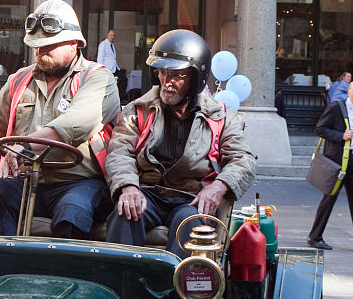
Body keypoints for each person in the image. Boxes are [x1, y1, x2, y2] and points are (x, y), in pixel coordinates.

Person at [0, 0, 120, 238]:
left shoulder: (98, 78)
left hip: (79, 181)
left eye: (49, 46)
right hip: (26, 178)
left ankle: (61, 275)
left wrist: (24, 146)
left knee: (72, 212)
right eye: (36, 46)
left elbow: (75, 123)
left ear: (74, 43)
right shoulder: (19, 80)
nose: (40, 51)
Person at [104, 29, 256, 255]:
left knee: (189, 224)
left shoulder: (222, 116)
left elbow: (243, 160)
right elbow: (119, 152)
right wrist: (128, 187)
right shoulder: (137, 110)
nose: (167, 82)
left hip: (192, 199)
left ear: (196, 78)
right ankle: (122, 287)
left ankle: (178, 290)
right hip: (148, 192)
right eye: (163, 73)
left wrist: (218, 186)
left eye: (177, 75)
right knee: (123, 213)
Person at [307, 78, 353, 253]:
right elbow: (320, 129)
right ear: (348, 92)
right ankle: (315, 236)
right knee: (329, 199)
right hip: (337, 161)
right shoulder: (336, 107)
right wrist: (341, 135)